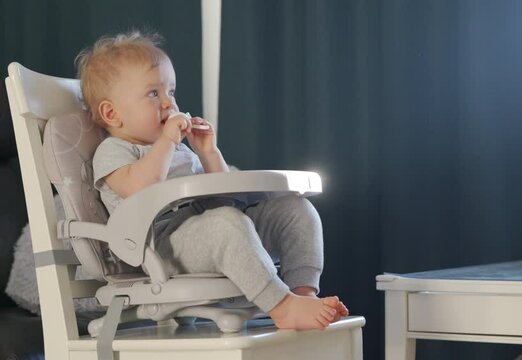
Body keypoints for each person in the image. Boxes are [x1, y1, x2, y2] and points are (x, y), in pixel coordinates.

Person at [76, 30, 348, 330]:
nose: (168, 103)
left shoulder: (179, 149)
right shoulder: (112, 151)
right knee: (227, 223)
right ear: (111, 113)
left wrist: (208, 152)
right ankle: (281, 306)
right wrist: (167, 142)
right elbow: (141, 188)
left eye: (172, 92)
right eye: (154, 94)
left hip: (214, 226)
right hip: (161, 246)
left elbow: (225, 194)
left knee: (295, 209)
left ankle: (302, 292)